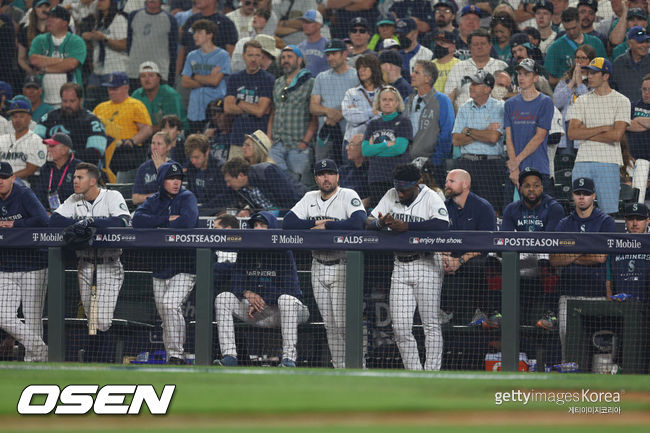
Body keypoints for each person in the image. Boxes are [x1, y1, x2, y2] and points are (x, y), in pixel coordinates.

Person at [282, 158, 366, 368]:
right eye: (321, 174)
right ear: (316, 177)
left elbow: (359, 222)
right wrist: (314, 222)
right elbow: (289, 223)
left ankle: (358, 367)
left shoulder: (348, 195)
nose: (326, 177)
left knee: (344, 324)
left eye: (330, 173)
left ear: (337, 176)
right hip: (317, 265)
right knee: (330, 325)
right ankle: (340, 370)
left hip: (343, 264)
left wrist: (327, 226)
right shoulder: (310, 197)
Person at [368, 163, 450, 370]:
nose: (400, 193)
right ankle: (414, 373)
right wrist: (380, 223)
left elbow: (442, 224)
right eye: (398, 188)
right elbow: (368, 220)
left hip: (427, 264)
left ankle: (432, 374)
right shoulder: (391, 194)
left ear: (418, 183)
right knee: (401, 328)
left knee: (430, 325)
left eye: (405, 189)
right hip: (401, 266)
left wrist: (408, 226)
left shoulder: (431, 197)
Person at [214, 211, 310, 367]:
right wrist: (247, 293)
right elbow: (236, 284)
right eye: (255, 225)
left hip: (287, 312)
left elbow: (290, 289)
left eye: (262, 225)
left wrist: (261, 298)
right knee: (223, 298)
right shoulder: (245, 250)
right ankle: (230, 356)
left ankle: (288, 359)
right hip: (258, 312)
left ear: (271, 227)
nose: (258, 229)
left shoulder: (283, 250)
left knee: (286, 300)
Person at [49, 162, 131, 335]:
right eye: (75, 177)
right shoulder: (74, 199)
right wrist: (80, 223)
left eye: (80, 177)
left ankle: (103, 357)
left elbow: (122, 221)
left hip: (109, 264)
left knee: (101, 320)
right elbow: (55, 220)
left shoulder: (112, 196)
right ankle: (95, 359)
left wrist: (92, 222)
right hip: (84, 265)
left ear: (93, 180)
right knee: (91, 320)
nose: (75, 181)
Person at [132, 161, 199, 365]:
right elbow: (137, 220)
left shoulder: (187, 197)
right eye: (171, 178)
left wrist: (158, 222)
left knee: (170, 306)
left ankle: (177, 355)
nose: (176, 182)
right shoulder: (153, 200)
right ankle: (172, 356)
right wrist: (167, 219)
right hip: (160, 266)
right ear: (162, 181)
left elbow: (187, 222)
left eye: (178, 178)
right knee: (166, 316)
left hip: (184, 266)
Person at [550, 177, 616, 362]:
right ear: (572, 196)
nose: (582, 197)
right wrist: (585, 249)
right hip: (569, 294)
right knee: (567, 342)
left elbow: (601, 257)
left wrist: (571, 254)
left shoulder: (605, 221)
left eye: (586, 193)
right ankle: (570, 385)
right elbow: (554, 260)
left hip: (598, 293)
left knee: (600, 345)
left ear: (593, 196)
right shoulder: (564, 224)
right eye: (578, 193)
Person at [501, 167, 565, 325]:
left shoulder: (554, 207)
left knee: (544, 255)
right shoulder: (511, 209)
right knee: (492, 258)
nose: (532, 189)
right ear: (520, 188)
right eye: (527, 185)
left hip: (544, 258)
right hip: (519, 259)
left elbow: (548, 241)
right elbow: (505, 238)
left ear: (542, 187)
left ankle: (549, 312)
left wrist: (522, 242)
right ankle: (496, 312)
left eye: (536, 185)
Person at [567, 57, 630, 215]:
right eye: (588, 72)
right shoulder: (582, 100)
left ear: (605, 76)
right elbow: (572, 133)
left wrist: (585, 132)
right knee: (580, 210)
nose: (589, 76)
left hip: (609, 161)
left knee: (609, 213)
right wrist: (602, 128)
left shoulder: (622, 101)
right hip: (582, 160)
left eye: (594, 73)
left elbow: (616, 135)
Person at [0, 161, 49, 362]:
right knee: (3, 316)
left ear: (13, 178)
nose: (0, 181)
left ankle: (34, 364)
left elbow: (44, 220)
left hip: (33, 265)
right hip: (5, 266)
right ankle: (41, 350)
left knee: (33, 319)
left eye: (4, 177)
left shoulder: (24, 194)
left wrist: (15, 224)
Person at [441, 169, 498, 326]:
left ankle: (481, 309)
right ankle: (442, 310)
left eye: (451, 181)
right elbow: (439, 238)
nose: (447, 184)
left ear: (465, 184)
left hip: (474, 259)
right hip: (450, 259)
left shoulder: (482, 207)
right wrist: (444, 257)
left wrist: (460, 260)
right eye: (446, 181)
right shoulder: (443, 207)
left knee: (476, 265)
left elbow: (487, 244)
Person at [451, 70, 505, 211]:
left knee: (491, 209)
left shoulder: (500, 107)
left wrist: (469, 131)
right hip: (466, 164)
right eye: (471, 83)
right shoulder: (464, 108)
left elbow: (493, 138)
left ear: (487, 89)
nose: (471, 86)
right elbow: (456, 140)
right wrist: (485, 130)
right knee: (463, 208)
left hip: (491, 166)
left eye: (476, 84)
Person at [504, 58, 554, 208]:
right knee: (512, 213)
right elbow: (509, 137)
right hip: (515, 170)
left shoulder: (545, 102)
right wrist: (514, 168)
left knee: (542, 214)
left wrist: (515, 162)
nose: (521, 77)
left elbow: (539, 136)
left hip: (538, 167)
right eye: (519, 73)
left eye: (526, 74)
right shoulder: (510, 104)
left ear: (536, 77)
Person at [268, 45, 317, 184]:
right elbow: (274, 111)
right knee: (277, 181)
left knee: (298, 184)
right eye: (283, 57)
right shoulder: (278, 83)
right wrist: (269, 137)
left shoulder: (310, 82)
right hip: (277, 143)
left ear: (299, 60)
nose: (285, 60)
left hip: (298, 143)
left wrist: (305, 142)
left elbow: (314, 117)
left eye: (290, 57)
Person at [93, 71, 154, 183]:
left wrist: (131, 141)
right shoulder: (101, 107)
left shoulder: (135, 105)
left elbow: (147, 129)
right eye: (109, 88)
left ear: (126, 87)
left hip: (124, 152)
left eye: (115, 88)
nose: (111, 92)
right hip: (103, 152)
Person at [404, 60, 454, 186]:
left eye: (416, 72)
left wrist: (435, 160)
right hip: (409, 163)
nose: (412, 75)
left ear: (428, 78)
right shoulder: (407, 100)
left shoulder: (442, 100)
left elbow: (447, 133)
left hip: (433, 165)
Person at [310, 39, 359, 165]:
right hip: (325, 136)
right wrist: (330, 112)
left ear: (344, 54)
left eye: (334, 54)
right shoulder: (321, 77)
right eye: (328, 55)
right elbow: (313, 107)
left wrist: (341, 114)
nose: (330, 58)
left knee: (348, 172)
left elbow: (361, 104)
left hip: (349, 138)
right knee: (322, 171)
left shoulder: (356, 76)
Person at [362, 85, 413, 207]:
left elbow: (399, 149)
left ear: (397, 103)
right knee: (378, 214)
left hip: (398, 178)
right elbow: (365, 150)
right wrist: (386, 144)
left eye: (391, 99)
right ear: (379, 102)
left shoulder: (404, 122)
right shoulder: (372, 124)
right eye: (384, 99)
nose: (387, 102)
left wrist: (375, 149)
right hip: (377, 177)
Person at [35, 82, 108, 167]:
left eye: (72, 101)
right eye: (64, 101)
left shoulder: (92, 121)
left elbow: (96, 152)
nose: (67, 105)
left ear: (80, 100)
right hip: (51, 166)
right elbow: (35, 140)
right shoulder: (49, 117)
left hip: (80, 169)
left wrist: (65, 157)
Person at [224, 40, 274, 161]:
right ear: (243, 56)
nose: (253, 59)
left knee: (257, 177)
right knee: (234, 175)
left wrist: (238, 102)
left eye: (257, 55)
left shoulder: (268, 79)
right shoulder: (234, 78)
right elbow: (227, 108)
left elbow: (260, 111)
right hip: (237, 138)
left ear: (262, 57)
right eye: (250, 55)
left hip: (258, 141)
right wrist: (252, 108)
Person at [28, 5, 86, 107]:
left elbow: (72, 64)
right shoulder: (40, 40)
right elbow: (33, 59)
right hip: (43, 101)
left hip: (69, 102)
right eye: (49, 17)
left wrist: (45, 69)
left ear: (65, 23)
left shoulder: (76, 41)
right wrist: (62, 61)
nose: (49, 20)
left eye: (54, 18)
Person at [181, 19, 230, 134]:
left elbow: (215, 81)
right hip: (193, 111)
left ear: (210, 35)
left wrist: (194, 75)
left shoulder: (223, 55)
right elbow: (184, 82)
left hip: (214, 111)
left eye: (199, 33)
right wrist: (207, 79)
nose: (195, 36)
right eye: (194, 33)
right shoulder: (191, 56)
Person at [444, 28, 508, 112]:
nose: (479, 47)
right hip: (463, 119)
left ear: (490, 45)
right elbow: (449, 98)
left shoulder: (502, 66)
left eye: (483, 43)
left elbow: (509, 95)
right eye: (475, 44)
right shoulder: (458, 67)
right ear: (469, 47)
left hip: (495, 118)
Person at [81, 0, 128, 109]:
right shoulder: (99, 21)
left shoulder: (119, 19)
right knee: (92, 105)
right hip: (98, 71)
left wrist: (104, 39)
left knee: (113, 106)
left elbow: (124, 45)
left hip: (115, 70)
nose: (99, 2)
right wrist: (89, 39)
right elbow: (95, 47)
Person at [544, 7, 607, 86]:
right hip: (567, 93)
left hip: (594, 92)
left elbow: (605, 70)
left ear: (579, 21)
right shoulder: (555, 48)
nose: (571, 32)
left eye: (574, 28)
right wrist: (569, 80)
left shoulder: (596, 43)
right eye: (567, 29)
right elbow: (548, 79)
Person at [552, 44, 595, 156]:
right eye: (577, 57)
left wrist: (580, 84)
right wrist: (571, 84)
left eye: (583, 58)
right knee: (566, 162)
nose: (579, 61)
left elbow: (590, 104)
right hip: (565, 125)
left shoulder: (595, 80)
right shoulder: (566, 79)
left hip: (584, 126)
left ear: (590, 60)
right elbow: (556, 102)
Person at [126, 0, 178, 87]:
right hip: (135, 73)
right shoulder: (133, 15)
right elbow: (129, 44)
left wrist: (171, 77)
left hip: (159, 74)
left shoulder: (170, 19)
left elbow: (173, 51)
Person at [606, 203, 650, 303]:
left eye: (639, 219)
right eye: (631, 219)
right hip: (621, 307)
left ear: (648, 220)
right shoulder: (615, 246)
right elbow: (609, 281)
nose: (635, 223)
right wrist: (610, 304)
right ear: (625, 221)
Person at [131, 61, 188, 133]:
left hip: (173, 134)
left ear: (158, 78)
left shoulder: (170, 94)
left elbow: (171, 123)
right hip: (144, 135)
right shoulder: (136, 95)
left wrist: (147, 131)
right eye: (143, 76)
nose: (147, 79)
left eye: (151, 75)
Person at [0, 100, 46, 187]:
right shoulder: (2, 140)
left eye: (22, 116)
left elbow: (30, 170)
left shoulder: (37, 141)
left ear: (30, 118)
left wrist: (8, 178)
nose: (17, 120)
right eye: (14, 116)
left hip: (24, 185)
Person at [341, 54, 382, 149]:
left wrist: (359, 113)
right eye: (359, 68)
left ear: (374, 69)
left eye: (365, 68)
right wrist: (372, 113)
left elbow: (386, 115)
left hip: (377, 143)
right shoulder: (351, 93)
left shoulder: (385, 92)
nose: (361, 71)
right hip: (352, 144)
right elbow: (350, 117)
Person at [34, 132, 81, 211]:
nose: (48, 149)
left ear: (64, 150)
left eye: (52, 146)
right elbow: (39, 196)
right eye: (48, 146)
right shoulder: (45, 169)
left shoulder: (79, 168)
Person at [184, 133, 228, 208]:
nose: (193, 161)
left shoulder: (221, 168)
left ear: (207, 152)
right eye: (191, 157)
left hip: (215, 210)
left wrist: (204, 207)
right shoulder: (191, 168)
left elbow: (224, 196)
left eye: (196, 157)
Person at [132, 131, 173, 205]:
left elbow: (171, 195)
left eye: (159, 144)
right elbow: (135, 199)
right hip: (147, 209)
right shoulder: (143, 168)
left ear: (168, 147)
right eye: (153, 143)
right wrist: (156, 196)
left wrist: (160, 169)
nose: (155, 147)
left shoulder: (173, 166)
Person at [612, 26, 650, 103]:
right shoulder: (618, 64)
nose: (645, 45)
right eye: (640, 42)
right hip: (624, 111)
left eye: (647, 41)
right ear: (629, 43)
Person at [230, 8, 273, 73]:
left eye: (260, 16)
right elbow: (235, 67)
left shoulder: (274, 43)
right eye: (255, 15)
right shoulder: (242, 42)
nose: (255, 17)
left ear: (268, 22)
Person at [17, 0, 50, 79]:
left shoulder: (57, 30)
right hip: (33, 75)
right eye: (40, 7)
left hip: (54, 73)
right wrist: (31, 72)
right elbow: (21, 58)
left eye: (46, 6)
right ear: (34, 10)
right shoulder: (25, 31)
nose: (44, 9)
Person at [395, 18, 433, 83]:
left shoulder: (427, 54)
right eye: (399, 34)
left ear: (415, 33)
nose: (401, 37)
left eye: (404, 34)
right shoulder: (395, 55)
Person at [339, 135, 370, 208]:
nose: (347, 148)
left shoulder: (371, 172)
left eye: (351, 145)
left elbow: (370, 199)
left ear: (363, 147)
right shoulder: (343, 171)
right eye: (347, 144)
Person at [297, 9, 329, 77]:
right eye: (304, 22)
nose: (305, 25)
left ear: (318, 25)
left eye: (308, 22)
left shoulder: (328, 46)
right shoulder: (299, 48)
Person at [627, 73, 650, 162]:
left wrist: (637, 119)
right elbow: (625, 124)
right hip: (633, 158)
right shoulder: (632, 106)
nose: (647, 93)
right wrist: (647, 124)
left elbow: (632, 123)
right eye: (644, 89)